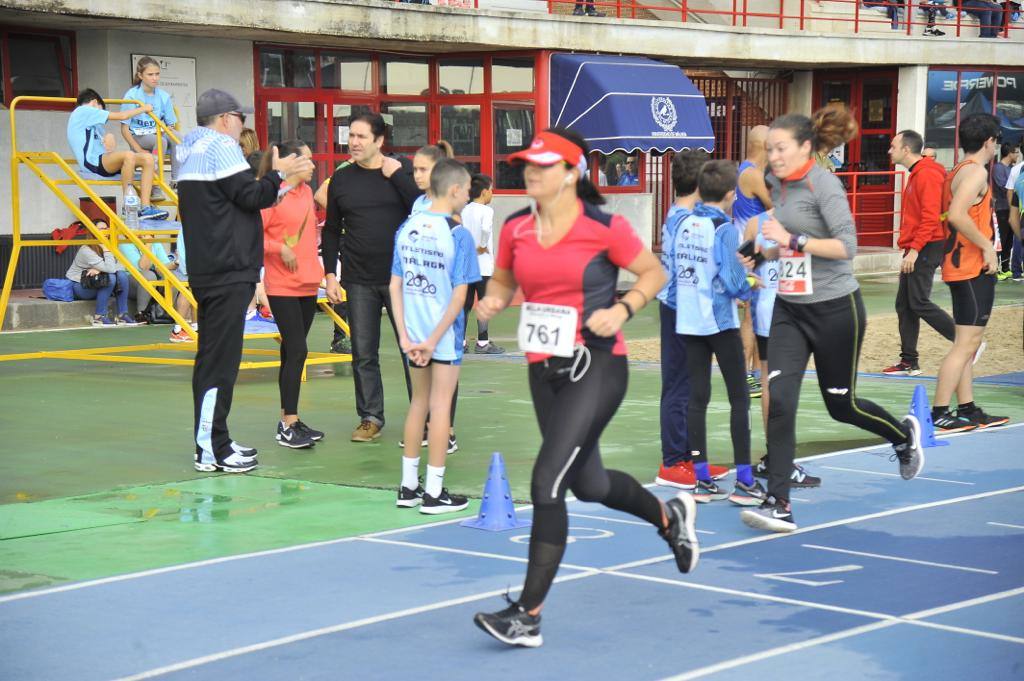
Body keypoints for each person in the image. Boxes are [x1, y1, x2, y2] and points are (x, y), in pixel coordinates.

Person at [472, 129, 698, 648]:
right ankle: (669, 516)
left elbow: (653, 273)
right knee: (588, 484)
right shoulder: (516, 227)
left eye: (544, 165)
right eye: (527, 164)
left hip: (594, 366)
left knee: (547, 482)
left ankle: (526, 615)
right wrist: (493, 301)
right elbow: (506, 281)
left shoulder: (604, 227)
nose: (531, 172)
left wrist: (621, 309)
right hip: (542, 367)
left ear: (571, 172)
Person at [738, 107, 925, 534]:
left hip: (836, 309)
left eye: (781, 148)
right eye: (770, 150)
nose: (774, 156)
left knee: (841, 405)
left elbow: (848, 247)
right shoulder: (774, 184)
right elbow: (781, 246)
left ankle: (901, 436)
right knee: (779, 401)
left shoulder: (823, 184)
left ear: (805, 147)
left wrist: (794, 239)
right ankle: (779, 502)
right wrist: (758, 251)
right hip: (790, 308)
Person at [178, 88, 313, 473]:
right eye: (239, 117)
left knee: (212, 360)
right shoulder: (220, 146)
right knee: (220, 363)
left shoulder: (189, 148)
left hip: (210, 267)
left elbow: (236, 197)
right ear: (224, 119)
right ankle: (211, 447)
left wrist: (276, 180)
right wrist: (280, 174)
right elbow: (251, 195)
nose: (242, 126)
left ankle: (214, 441)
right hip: (227, 268)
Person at [322, 112, 421, 442]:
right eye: (351, 135)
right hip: (358, 278)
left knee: (413, 351)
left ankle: (423, 419)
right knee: (363, 353)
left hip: (402, 278)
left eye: (362, 136)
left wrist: (398, 178)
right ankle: (370, 417)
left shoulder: (400, 171)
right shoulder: (342, 179)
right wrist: (330, 275)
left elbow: (423, 209)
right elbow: (333, 229)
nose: (354, 142)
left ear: (380, 141)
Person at [392, 159, 479, 514]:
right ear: (455, 190)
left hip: (412, 333)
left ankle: (408, 487)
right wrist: (434, 340)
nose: (470, 195)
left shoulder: (408, 226)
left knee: (418, 404)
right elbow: (460, 296)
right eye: (469, 189)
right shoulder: (458, 234)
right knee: (440, 408)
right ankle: (433, 491)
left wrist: (404, 335)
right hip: (441, 337)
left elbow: (395, 285)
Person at [674, 160, 763, 505]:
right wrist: (751, 284)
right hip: (719, 322)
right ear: (731, 194)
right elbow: (732, 280)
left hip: (689, 320)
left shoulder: (684, 222)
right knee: (739, 398)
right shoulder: (724, 228)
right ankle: (743, 480)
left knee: (697, 399)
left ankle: (701, 480)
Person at [655, 149, 729, 490]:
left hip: (686, 306)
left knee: (690, 384)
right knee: (678, 385)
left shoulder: (684, 214)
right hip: (677, 307)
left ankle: (689, 456)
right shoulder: (684, 218)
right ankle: (673, 461)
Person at [931, 114, 1009, 432]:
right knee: (966, 344)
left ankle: (967, 408)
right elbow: (958, 216)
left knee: (968, 342)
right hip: (970, 266)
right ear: (990, 141)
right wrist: (987, 247)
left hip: (962, 265)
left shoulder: (961, 170)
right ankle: (937, 412)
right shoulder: (975, 172)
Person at [743, 210, 823, 490]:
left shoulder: (755, 223)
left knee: (769, 381)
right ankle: (780, 458)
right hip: (792, 309)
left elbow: (746, 270)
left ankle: (774, 455)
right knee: (782, 386)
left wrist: (753, 285)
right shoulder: (807, 218)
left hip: (769, 308)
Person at [258, 139, 326, 450]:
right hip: (282, 284)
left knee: (291, 352)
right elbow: (252, 236)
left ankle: (289, 419)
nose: (313, 165)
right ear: (290, 162)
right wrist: (278, 247)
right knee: (298, 350)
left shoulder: (307, 193)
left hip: (308, 283)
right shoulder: (271, 195)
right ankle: (289, 423)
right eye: (307, 160)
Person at [881, 129, 955, 377]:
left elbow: (930, 217)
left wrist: (914, 251)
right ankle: (909, 361)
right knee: (905, 304)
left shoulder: (927, 174)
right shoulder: (918, 173)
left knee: (918, 302)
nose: (889, 150)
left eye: (893, 146)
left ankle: (966, 342)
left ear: (906, 149)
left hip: (926, 245)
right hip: (918, 245)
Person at [67, 89, 168, 220]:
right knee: (128, 155)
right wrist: (144, 108)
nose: (103, 116)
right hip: (92, 163)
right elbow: (122, 116)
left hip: (104, 161)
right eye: (102, 110)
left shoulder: (92, 124)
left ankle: (145, 207)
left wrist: (109, 136)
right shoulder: (82, 111)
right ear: (94, 102)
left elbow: (108, 147)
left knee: (148, 159)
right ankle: (128, 206)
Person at [734, 125, 774, 399]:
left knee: (755, 312)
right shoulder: (753, 174)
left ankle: (753, 374)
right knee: (752, 314)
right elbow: (779, 206)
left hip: (751, 244)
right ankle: (749, 375)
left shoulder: (744, 170)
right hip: (754, 246)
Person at [461, 173, 504, 354]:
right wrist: (483, 245)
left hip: (465, 264)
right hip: (483, 266)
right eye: (491, 190)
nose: (492, 194)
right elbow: (486, 228)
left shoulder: (463, 210)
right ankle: (482, 343)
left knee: (465, 304)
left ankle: (461, 343)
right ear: (485, 192)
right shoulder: (487, 211)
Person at [66, 223, 140, 327]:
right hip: (81, 286)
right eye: (101, 229)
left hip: (98, 282)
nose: (105, 232)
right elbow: (110, 269)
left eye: (106, 229)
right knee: (110, 277)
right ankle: (99, 317)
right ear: (93, 231)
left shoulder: (112, 245)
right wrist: (106, 250)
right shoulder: (86, 249)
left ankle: (122, 315)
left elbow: (121, 266)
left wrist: (100, 270)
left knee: (122, 275)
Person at [120, 56, 180, 183]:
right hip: (138, 136)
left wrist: (169, 128)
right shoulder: (132, 95)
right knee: (161, 142)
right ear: (140, 76)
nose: (155, 78)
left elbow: (171, 123)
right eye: (150, 74)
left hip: (156, 133)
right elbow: (124, 129)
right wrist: (138, 149)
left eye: (157, 74)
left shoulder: (163, 96)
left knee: (178, 137)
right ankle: (154, 184)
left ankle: (176, 181)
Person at [993, 143, 1019, 280]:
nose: (1017, 155)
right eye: (1015, 152)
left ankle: (1005, 268)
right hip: (1002, 208)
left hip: (1011, 209)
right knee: (1001, 239)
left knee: (1009, 240)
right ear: (1009, 153)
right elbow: (1003, 187)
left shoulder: (1012, 168)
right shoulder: (998, 168)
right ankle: (996, 268)